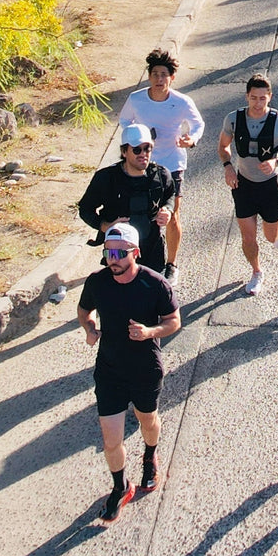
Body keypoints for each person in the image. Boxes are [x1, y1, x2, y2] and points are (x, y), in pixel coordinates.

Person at [77, 222, 181, 523]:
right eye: (109, 252)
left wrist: (150, 331)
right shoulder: (97, 282)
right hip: (109, 370)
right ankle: (120, 486)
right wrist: (90, 327)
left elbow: (174, 321)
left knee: (147, 419)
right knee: (111, 440)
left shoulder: (154, 283)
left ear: (135, 253)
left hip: (145, 368)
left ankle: (150, 454)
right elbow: (84, 312)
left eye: (121, 253)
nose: (114, 259)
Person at [119, 50, 204, 280]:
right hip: (142, 163)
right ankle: (136, 258)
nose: (159, 79)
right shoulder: (136, 99)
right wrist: (137, 138)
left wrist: (191, 139)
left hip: (172, 164)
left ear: (172, 78)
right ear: (149, 76)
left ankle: (171, 264)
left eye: (164, 75)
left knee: (171, 214)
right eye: (155, 74)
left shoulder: (181, 102)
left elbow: (198, 124)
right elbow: (124, 120)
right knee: (140, 212)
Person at [219, 74, 278, 296]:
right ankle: (256, 272)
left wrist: (277, 161)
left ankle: (277, 227)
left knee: (271, 237)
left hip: (269, 185)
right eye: (253, 98)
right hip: (243, 185)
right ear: (247, 96)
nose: (258, 103)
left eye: (263, 98)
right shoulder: (233, 119)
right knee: (248, 236)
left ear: (270, 97)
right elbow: (223, 146)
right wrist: (228, 166)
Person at [77, 123, 175, 275]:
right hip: (118, 253)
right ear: (124, 152)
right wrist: (105, 226)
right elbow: (85, 209)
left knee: (151, 291)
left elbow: (170, 195)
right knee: (119, 293)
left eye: (147, 148)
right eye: (137, 149)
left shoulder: (161, 175)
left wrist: (167, 210)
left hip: (152, 248)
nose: (143, 154)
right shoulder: (106, 178)